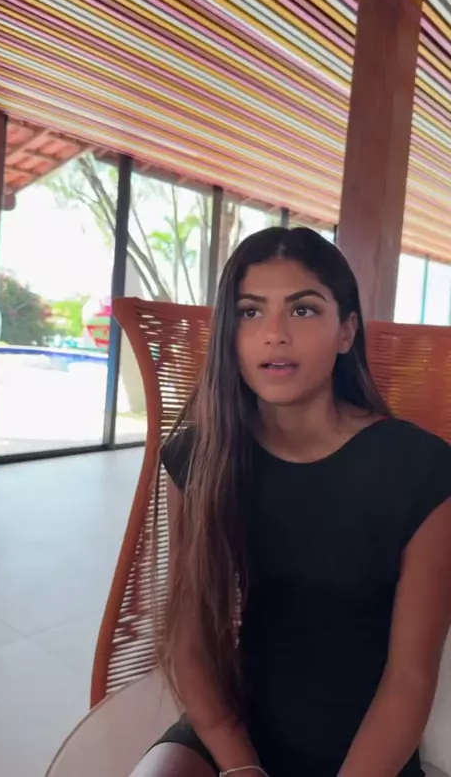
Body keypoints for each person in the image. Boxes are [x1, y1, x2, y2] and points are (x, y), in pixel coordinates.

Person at [132, 227, 451, 777]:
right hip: (235, 730)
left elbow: (411, 678)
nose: (274, 334)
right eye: (250, 312)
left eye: (303, 310)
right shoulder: (198, 458)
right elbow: (189, 639)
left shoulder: (423, 470)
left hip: (368, 746)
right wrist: (241, 768)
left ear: (346, 331)